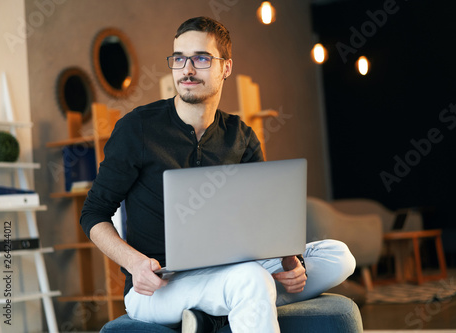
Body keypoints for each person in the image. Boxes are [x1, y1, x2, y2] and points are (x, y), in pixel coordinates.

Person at [80, 16, 356, 333]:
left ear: (225, 67)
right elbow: (93, 214)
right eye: (179, 58)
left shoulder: (241, 135)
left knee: (339, 256)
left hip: (234, 268)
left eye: (200, 58)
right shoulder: (137, 129)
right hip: (162, 285)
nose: (187, 69)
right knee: (250, 280)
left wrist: (291, 263)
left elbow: (263, 221)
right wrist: (134, 263)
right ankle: (236, 299)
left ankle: (213, 313)